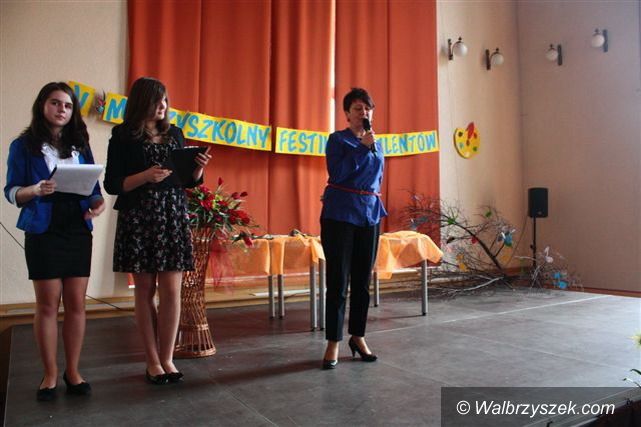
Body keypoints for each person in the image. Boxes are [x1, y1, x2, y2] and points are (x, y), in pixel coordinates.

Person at [104, 77, 211, 385]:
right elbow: (112, 184)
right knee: (145, 290)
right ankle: (152, 360)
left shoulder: (175, 133)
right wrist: (145, 176)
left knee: (172, 290)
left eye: (165, 100)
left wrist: (198, 167)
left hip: (172, 215)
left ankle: (167, 359)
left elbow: (187, 180)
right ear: (142, 102)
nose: (163, 106)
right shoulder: (122, 136)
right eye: (156, 100)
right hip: (139, 216)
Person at [4, 82, 105, 400]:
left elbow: (94, 188)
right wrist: (34, 190)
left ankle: (72, 371)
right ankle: (49, 374)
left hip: (77, 227)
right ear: (42, 106)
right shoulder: (23, 145)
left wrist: (98, 203)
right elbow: (11, 191)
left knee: (77, 304)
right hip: (43, 228)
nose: (62, 109)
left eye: (68, 105)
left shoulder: (80, 144)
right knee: (48, 305)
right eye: (55, 103)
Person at [320, 87, 387, 370]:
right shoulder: (337, 140)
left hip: (369, 215)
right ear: (347, 114)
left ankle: (358, 337)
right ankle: (333, 342)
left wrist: (368, 146)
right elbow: (338, 173)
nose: (364, 113)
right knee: (338, 281)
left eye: (368, 108)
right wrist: (361, 148)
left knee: (362, 282)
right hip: (340, 215)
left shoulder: (378, 144)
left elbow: (377, 178)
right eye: (358, 108)